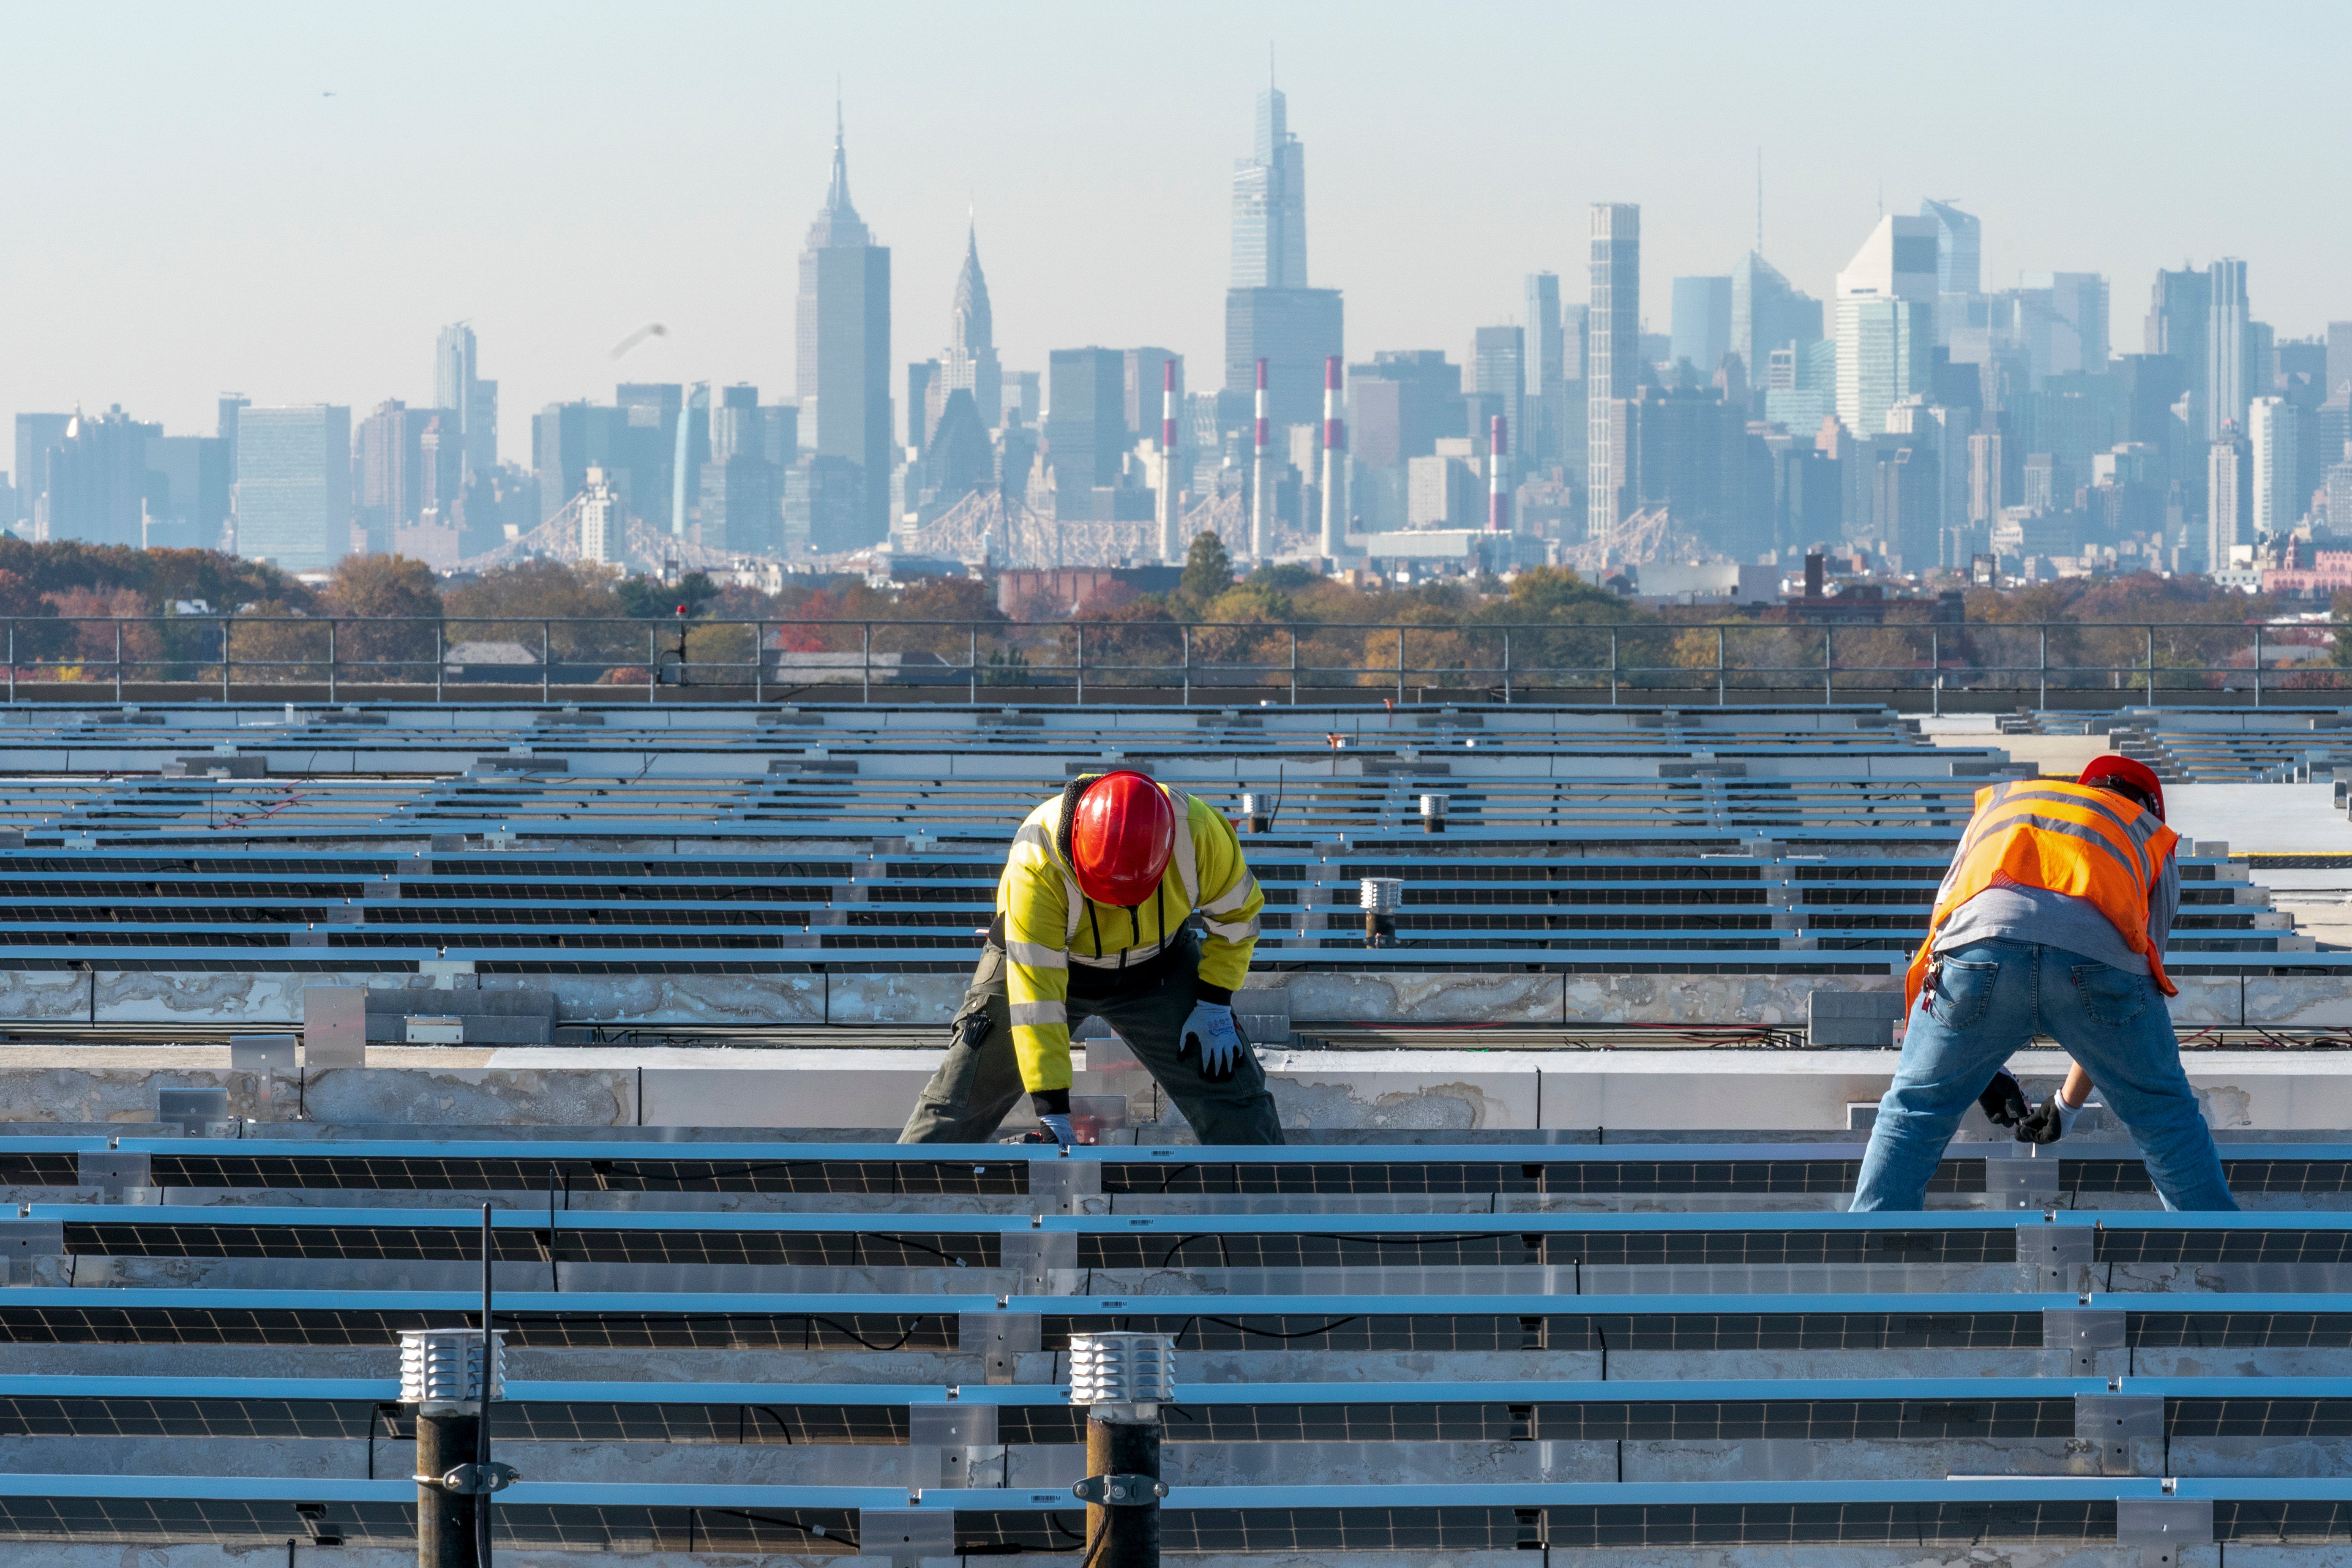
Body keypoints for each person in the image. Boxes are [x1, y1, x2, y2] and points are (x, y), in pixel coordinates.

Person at [1851, 754, 2236, 1211]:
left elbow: (1945, 928)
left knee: (1915, 1112)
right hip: (2097, 965)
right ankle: (2216, 1256)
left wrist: (1980, 1070)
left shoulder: (2010, 805)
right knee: (2165, 1119)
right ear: (2149, 807)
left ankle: (1872, 1250)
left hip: (1977, 952)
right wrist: (2066, 1107)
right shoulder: (2146, 834)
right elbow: (2130, 987)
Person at [899, 769, 1285, 1146]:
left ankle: (1270, 1202)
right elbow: (1037, 1002)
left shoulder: (1200, 831)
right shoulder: (1037, 861)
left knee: (1235, 1097)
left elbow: (1239, 918)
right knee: (961, 1099)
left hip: (1159, 966)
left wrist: (1214, 1001)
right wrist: (1052, 1108)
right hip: (1046, 965)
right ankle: (898, 1199)